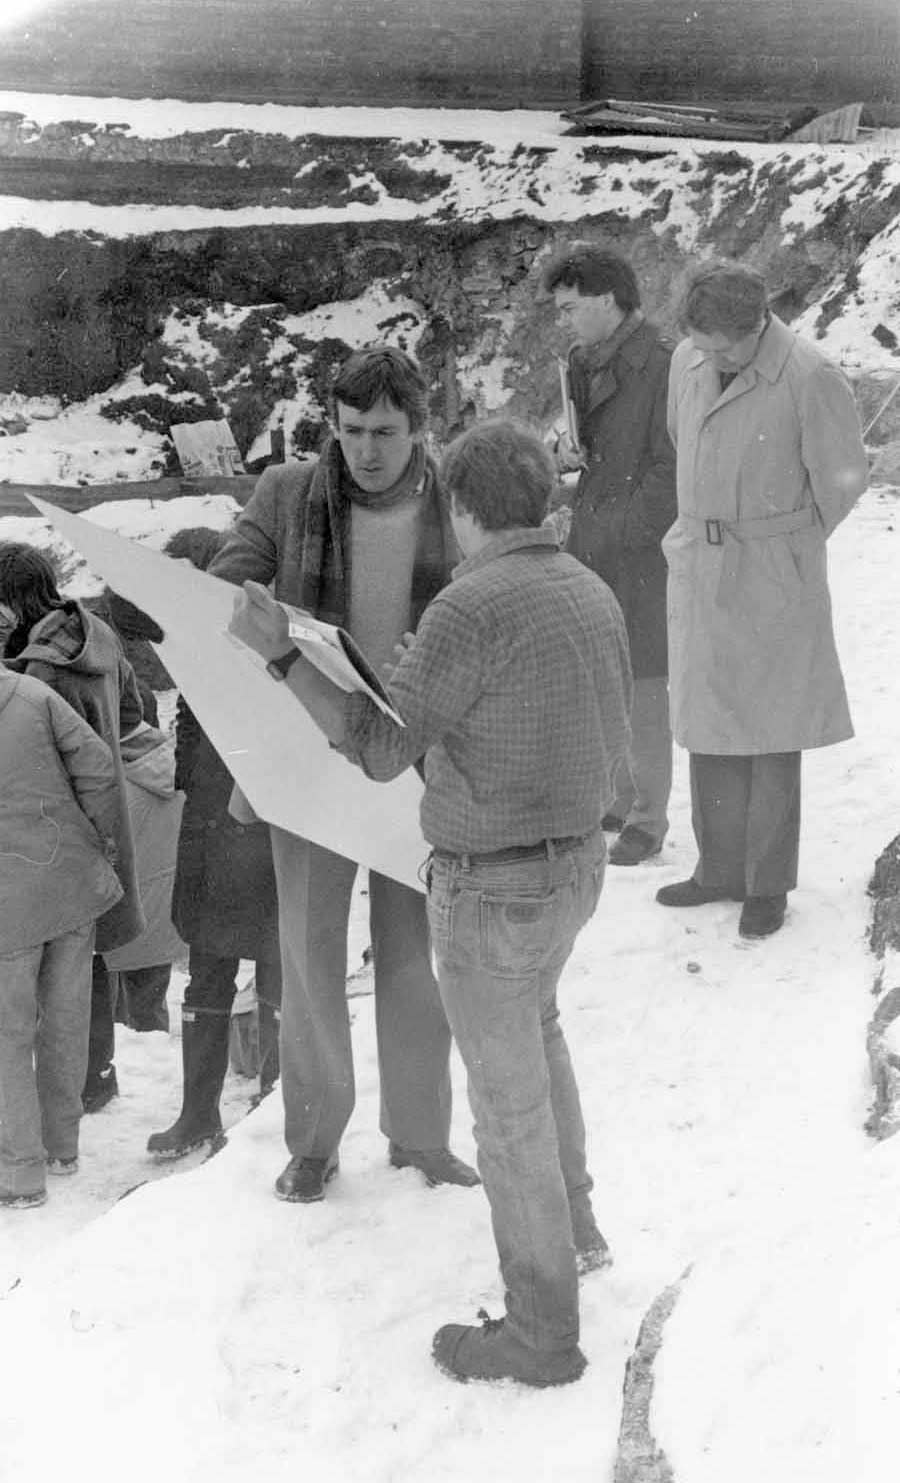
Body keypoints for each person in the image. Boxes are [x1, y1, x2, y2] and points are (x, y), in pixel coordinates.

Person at [230, 418, 632, 1388]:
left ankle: (540, 1332)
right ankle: (575, 1227)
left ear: (459, 508)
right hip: (573, 867)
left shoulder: (467, 606)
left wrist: (283, 657)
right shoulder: (587, 587)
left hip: (493, 884)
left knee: (507, 1113)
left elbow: (375, 753)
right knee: (540, 1040)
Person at [210, 346, 478, 1202]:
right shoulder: (287, 493)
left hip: (417, 761)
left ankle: (422, 1134)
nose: (366, 450)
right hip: (313, 753)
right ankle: (315, 1141)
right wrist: (267, 611)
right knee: (311, 953)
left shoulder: (456, 500)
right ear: (333, 423)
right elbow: (224, 581)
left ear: (419, 429)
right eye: (353, 430)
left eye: (387, 433)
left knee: (412, 958)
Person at [659, 262, 869, 938]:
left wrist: (783, 546)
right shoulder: (689, 359)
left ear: (759, 324)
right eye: (702, 342)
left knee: (773, 728)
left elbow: (841, 480)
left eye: (725, 344)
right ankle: (718, 866)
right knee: (708, 717)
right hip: (701, 560)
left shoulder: (810, 375)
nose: (711, 355)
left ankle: (766, 882)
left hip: (775, 566)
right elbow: (681, 437)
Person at [143, 527, 283, 1159]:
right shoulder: (192, 646)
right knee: (205, 973)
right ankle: (198, 1113)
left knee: (278, 966)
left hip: (260, 829)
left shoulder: (258, 640)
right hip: (206, 829)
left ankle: (278, 1102)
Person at [543, 243, 677, 866]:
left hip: (640, 548)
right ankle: (621, 799)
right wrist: (564, 455)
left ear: (606, 301)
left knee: (645, 681)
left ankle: (649, 817)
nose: (563, 320)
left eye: (570, 308)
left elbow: (670, 467)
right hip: (592, 540)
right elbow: (584, 442)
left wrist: (624, 528)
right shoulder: (580, 360)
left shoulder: (665, 364)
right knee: (608, 676)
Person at [0, 544, 145, 1106]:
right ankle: (97, 1076)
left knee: (50, 962)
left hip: (55, 826)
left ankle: (66, 1088)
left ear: (14, 601)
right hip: (107, 813)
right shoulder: (97, 637)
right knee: (90, 951)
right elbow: (133, 715)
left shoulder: (38, 670)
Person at [0, 663, 124, 1208]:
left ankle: (20, 1171)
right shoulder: (35, 695)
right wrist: (100, 834)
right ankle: (62, 1147)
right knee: (67, 1017)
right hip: (68, 875)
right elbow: (98, 768)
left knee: (7, 1033)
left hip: (7, 899)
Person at [102, 720, 186, 1035]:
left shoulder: (111, 784)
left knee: (115, 1022)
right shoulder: (172, 767)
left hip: (120, 920)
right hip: (165, 917)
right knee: (150, 1011)